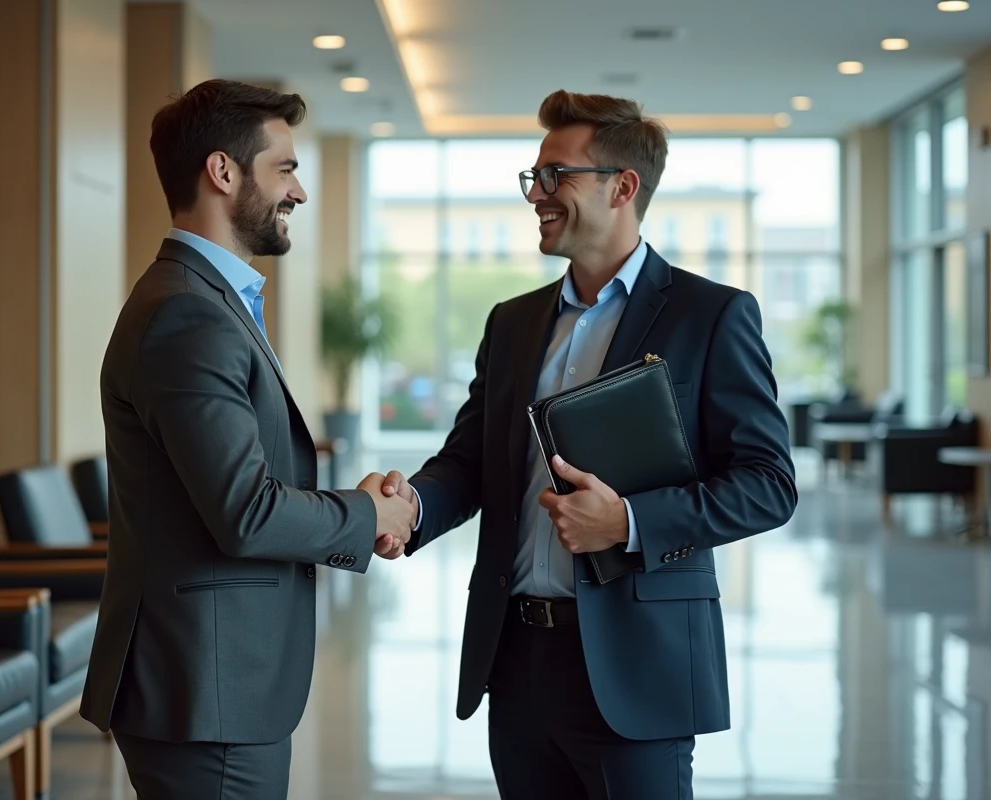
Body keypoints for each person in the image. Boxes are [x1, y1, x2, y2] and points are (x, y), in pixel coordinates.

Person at [377, 90, 798, 798]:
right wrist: (411, 506)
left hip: (636, 666)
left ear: (623, 187)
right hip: (515, 660)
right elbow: (473, 461)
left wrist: (629, 522)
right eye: (533, 177)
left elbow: (768, 483)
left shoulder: (712, 315)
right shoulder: (512, 322)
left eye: (556, 175)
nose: (536, 194)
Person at [79, 79, 415, 800]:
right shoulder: (188, 316)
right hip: (207, 688)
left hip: (215, 682)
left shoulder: (205, 301)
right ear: (222, 172)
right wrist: (367, 516)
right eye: (285, 168)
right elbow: (246, 510)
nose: (299, 192)